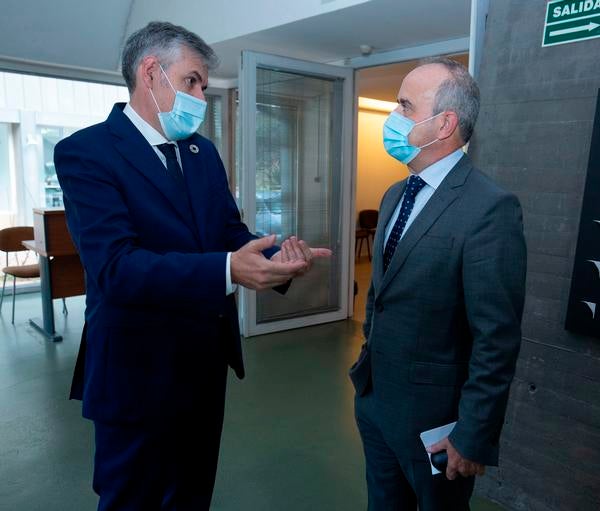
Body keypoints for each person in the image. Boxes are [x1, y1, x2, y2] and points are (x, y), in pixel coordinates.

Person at [55, 21, 330, 510]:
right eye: (192, 81)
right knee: (131, 499)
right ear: (150, 72)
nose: (200, 96)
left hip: (203, 364)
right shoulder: (86, 153)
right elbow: (116, 268)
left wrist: (276, 258)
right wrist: (228, 270)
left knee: (193, 492)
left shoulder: (202, 153)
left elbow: (228, 232)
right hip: (135, 370)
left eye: (203, 85)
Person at [349, 57, 526, 510]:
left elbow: (496, 338)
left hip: (436, 424)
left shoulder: (489, 209)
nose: (393, 118)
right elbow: (380, 296)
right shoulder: (395, 194)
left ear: (445, 123)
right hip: (376, 402)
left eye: (405, 106)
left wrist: (472, 433)